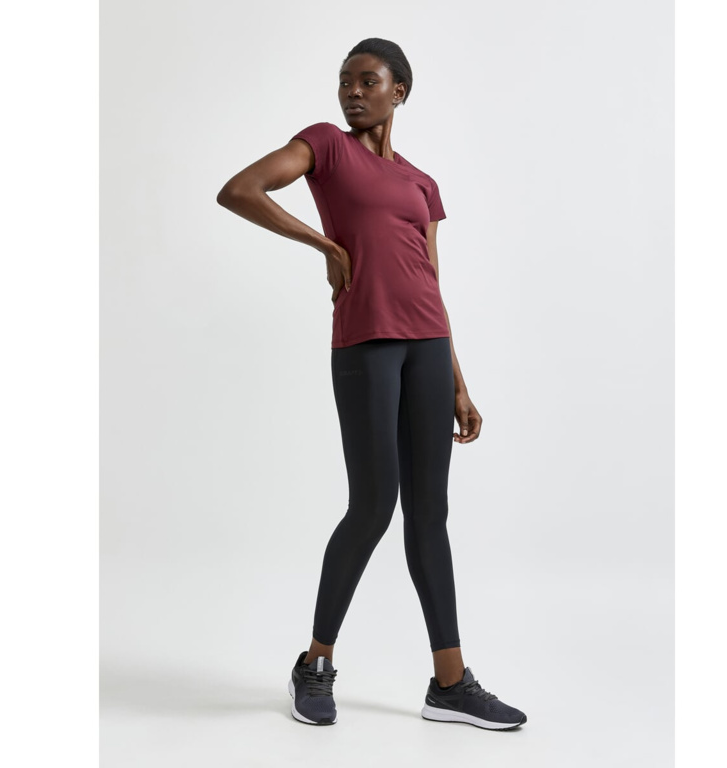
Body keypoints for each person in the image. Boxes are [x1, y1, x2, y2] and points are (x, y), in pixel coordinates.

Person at [217, 38, 527, 731]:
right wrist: (324, 244)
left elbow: (431, 282)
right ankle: (314, 664)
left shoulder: (422, 183)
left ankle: (450, 683)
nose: (352, 93)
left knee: (429, 514)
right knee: (372, 506)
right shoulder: (326, 146)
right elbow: (239, 189)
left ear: (399, 91)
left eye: (368, 81)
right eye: (345, 82)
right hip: (366, 343)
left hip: (429, 347)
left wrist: (457, 382)